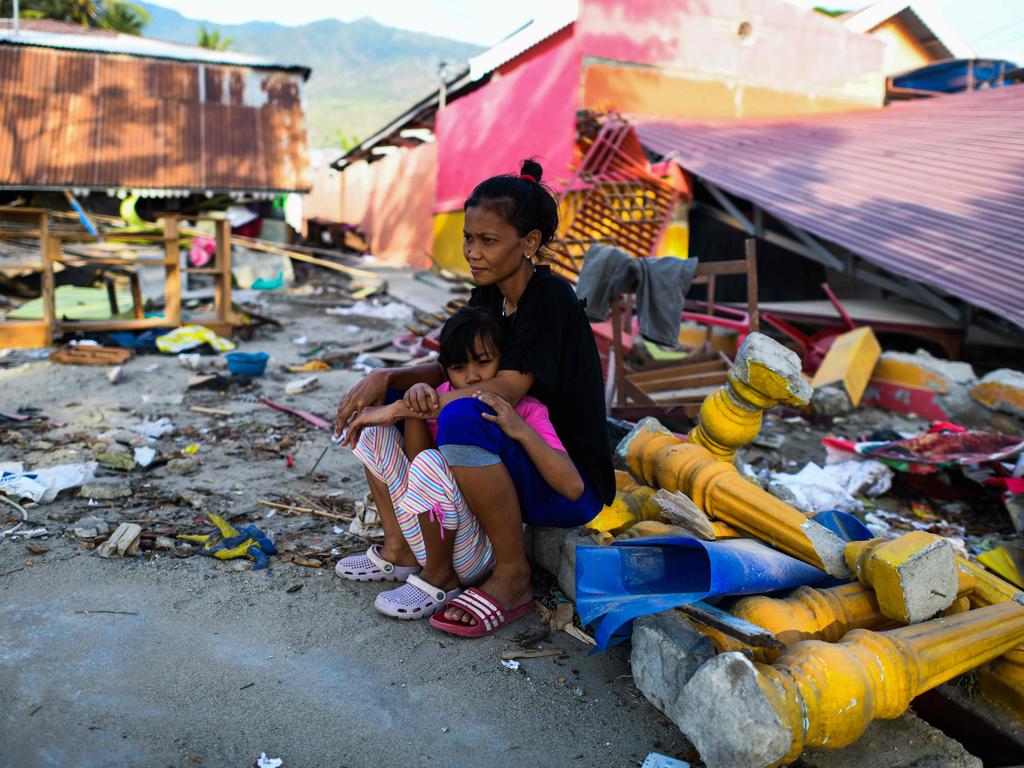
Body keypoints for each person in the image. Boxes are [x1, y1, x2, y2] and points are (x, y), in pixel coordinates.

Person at [334, 159, 614, 637]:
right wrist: (388, 377)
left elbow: (502, 390)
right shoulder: (487, 296)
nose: (472, 252)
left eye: (488, 241)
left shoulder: (550, 298)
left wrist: (400, 405)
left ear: (529, 244)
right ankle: (402, 548)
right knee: (398, 399)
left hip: (562, 477)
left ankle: (512, 575)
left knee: (465, 412)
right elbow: (450, 370)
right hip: (512, 459)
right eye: (469, 238)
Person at [336, 306, 586, 623]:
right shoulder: (440, 395)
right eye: (458, 367)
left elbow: (573, 486)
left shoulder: (525, 409)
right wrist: (415, 408)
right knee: (376, 431)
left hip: (475, 550)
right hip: (431, 532)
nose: (471, 376)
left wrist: (520, 430)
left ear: (505, 360)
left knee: (431, 459)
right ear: (445, 370)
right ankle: (400, 551)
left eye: (484, 362)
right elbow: (416, 470)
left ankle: (440, 577)